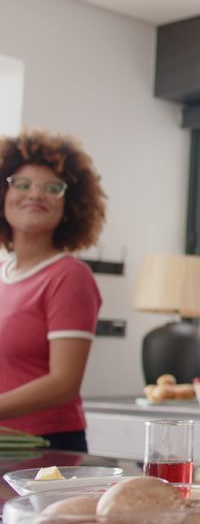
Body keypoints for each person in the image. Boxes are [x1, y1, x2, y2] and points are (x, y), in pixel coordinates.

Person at [0, 129, 106, 453]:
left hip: (46, 448)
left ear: (70, 207)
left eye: (52, 188)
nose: (36, 194)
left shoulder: (69, 276)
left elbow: (64, 383)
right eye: (22, 184)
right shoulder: (2, 274)